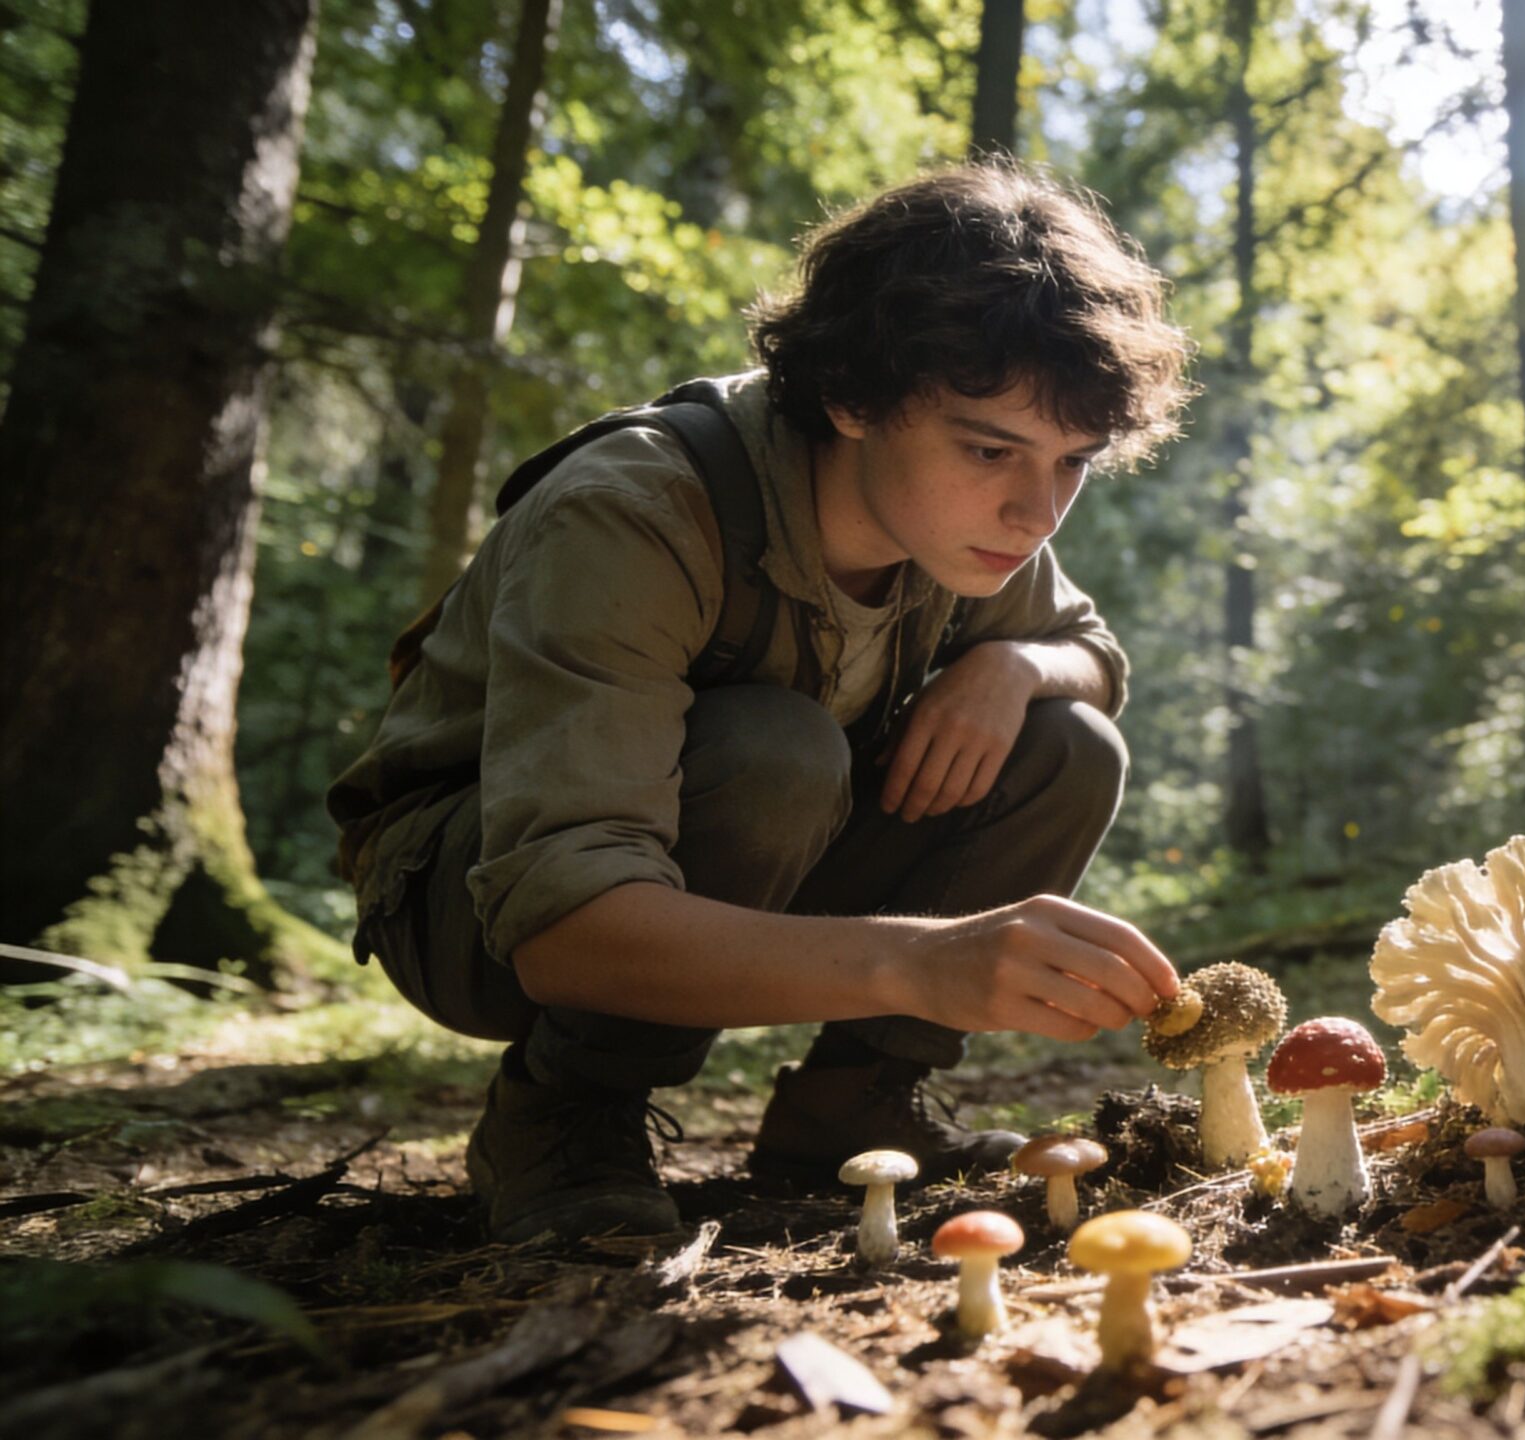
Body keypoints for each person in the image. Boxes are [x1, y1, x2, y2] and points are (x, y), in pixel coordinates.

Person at [327, 162, 1196, 1244]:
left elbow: (1092, 653)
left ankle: (850, 1111)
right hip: (473, 899)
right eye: (990, 449)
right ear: (854, 399)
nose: (1035, 510)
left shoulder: (970, 525)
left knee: (1068, 741)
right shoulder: (635, 511)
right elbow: (560, 920)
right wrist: (922, 962)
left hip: (719, 858)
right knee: (774, 751)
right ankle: (565, 1116)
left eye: (1073, 462)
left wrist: (1011, 670)